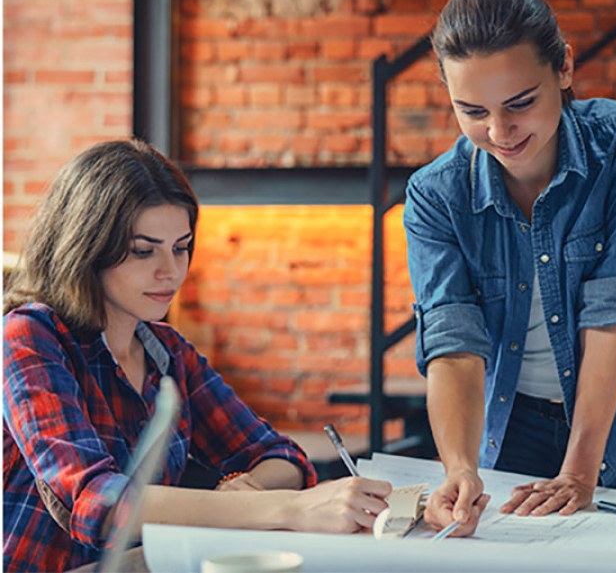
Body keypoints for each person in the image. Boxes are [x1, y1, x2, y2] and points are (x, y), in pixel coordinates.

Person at [2, 140, 392, 572]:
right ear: (86, 247)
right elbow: (97, 503)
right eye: (143, 250)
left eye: (181, 247)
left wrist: (240, 493)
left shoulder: (168, 351)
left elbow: (284, 458)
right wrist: (286, 509)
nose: (170, 271)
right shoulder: (29, 336)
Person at [403, 0, 616, 536]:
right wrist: (459, 466)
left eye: (520, 104)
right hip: (507, 433)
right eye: (472, 111)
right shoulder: (435, 195)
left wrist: (578, 474)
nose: (500, 131)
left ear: (565, 69)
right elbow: (453, 343)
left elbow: (612, 311)